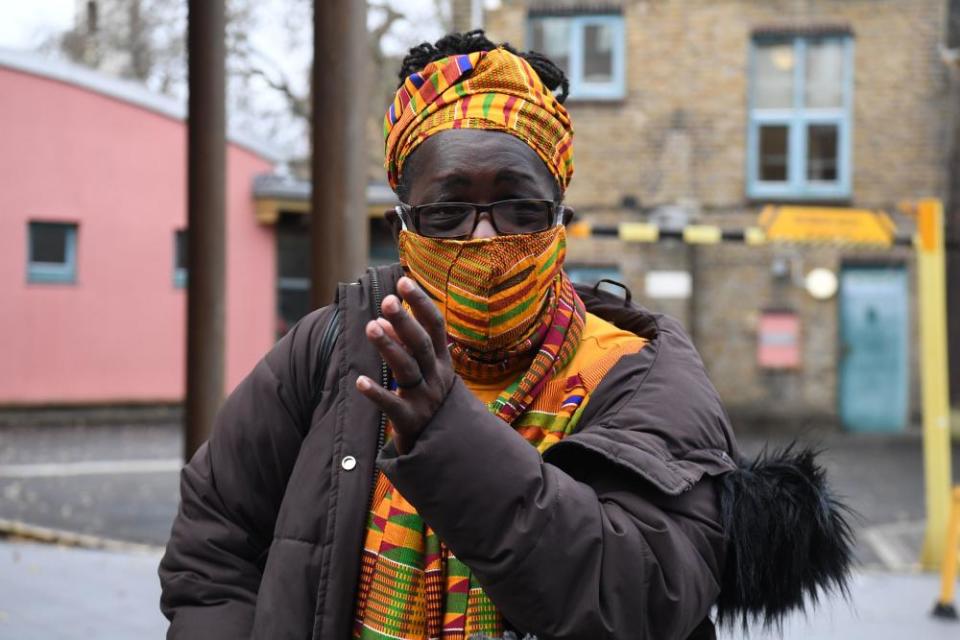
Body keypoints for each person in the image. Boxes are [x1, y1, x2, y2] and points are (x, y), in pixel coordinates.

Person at [159, 31, 852, 640]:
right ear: (404, 227)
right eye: (447, 211)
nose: (484, 237)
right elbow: (214, 540)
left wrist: (445, 433)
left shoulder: (640, 376)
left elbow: (644, 598)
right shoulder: (337, 347)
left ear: (560, 215)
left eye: (519, 207)